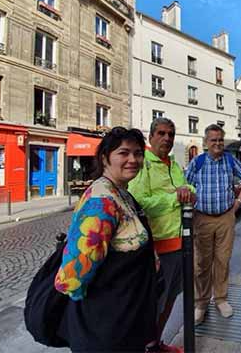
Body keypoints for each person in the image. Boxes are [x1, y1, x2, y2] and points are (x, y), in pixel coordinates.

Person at [54, 127, 158, 353]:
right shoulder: (101, 202)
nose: (133, 159)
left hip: (125, 321)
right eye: (124, 153)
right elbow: (71, 277)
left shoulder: (121, 192)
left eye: (138, 153)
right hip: (105, 327)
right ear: (105, 158)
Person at [128, 118, 195, 353]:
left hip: (180, 245)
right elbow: (139, 203)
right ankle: (145, 347)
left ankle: (156, 344)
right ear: (151, 136)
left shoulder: (173, 164)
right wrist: (174, 198)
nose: (167, 138)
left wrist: (188, 192)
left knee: (170, 300)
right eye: (162, 133)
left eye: (171, 134)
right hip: (157, 249)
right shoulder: (143, 164)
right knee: (152, 305)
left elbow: (187, 187)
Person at [185, 124, 241, 325]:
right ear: (206, 142)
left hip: (226, 217)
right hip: (202, 218)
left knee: (223, 261)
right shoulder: (197, 162)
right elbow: (185, 186)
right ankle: (201, 303)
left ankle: (221, 299)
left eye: (220, 140)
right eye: (213, 140)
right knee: (201, 264)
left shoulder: (230, 160)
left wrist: (238, 202)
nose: (217, 143)